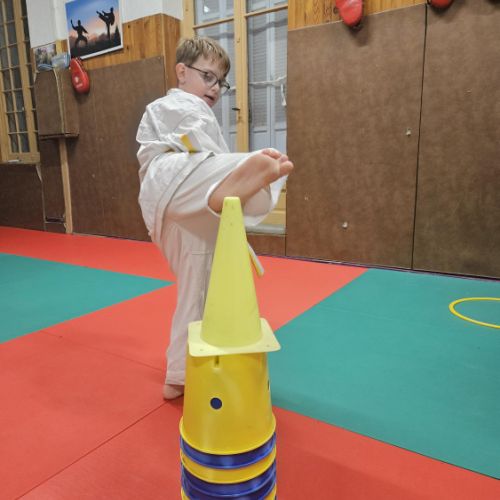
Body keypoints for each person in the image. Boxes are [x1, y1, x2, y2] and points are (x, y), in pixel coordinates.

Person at [136, 36, 293, 400]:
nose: (215, 88)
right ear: (181, 72)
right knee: (241, 168)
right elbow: (201, 146)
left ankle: (178, 375)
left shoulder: (191, 109)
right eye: (207, 76)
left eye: (221, 82)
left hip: (183, 214)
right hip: (173, 184)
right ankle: (229, 188)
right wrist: (240, 168)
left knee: (197, 291)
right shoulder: (174, 104)